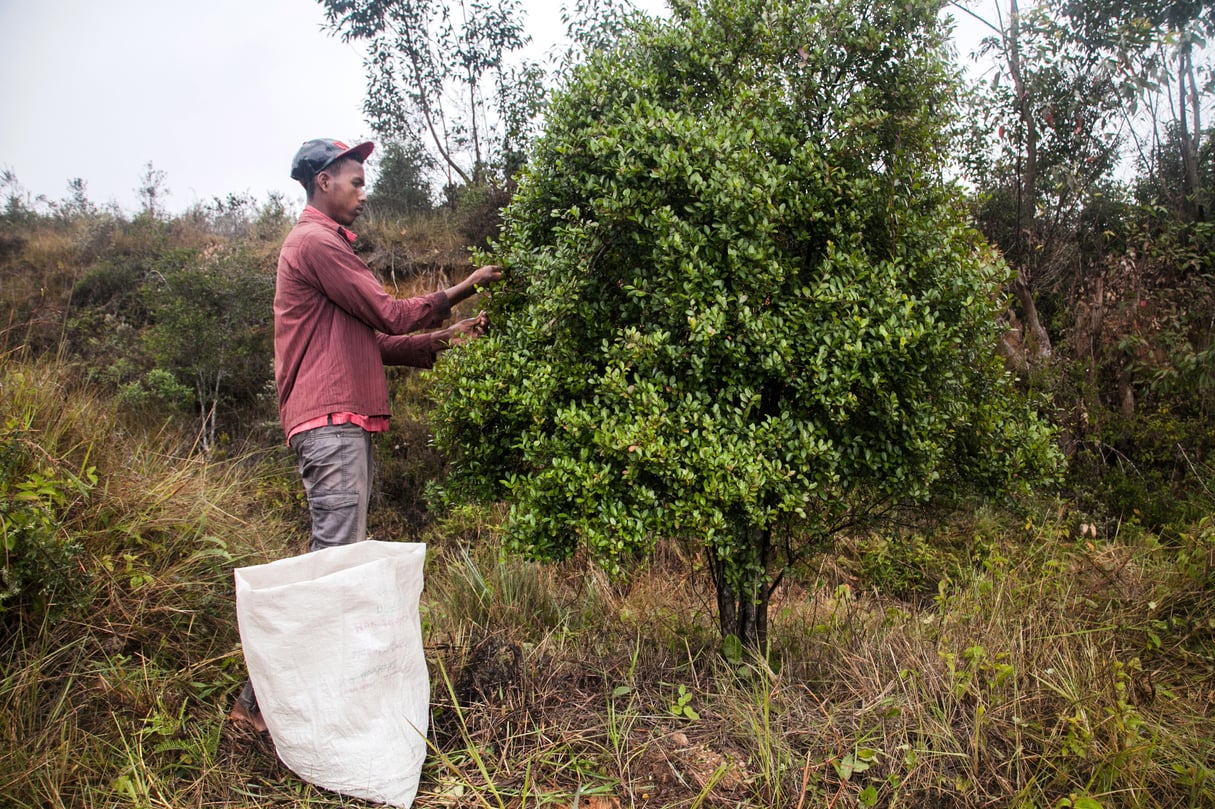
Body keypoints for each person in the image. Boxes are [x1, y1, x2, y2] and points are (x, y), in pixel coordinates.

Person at [229, 138, 501, 732]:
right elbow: (389, 314)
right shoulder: (317, 243)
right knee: (333, 565)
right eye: (355, 181)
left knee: (337, 560)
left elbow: (373, 343)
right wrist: (464, 286)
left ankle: (293, 699)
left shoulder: (321, 249)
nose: (363, 191)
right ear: (323, 181)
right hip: (330, 423)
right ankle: (255, 707)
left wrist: (448, 337)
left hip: (338, 421)